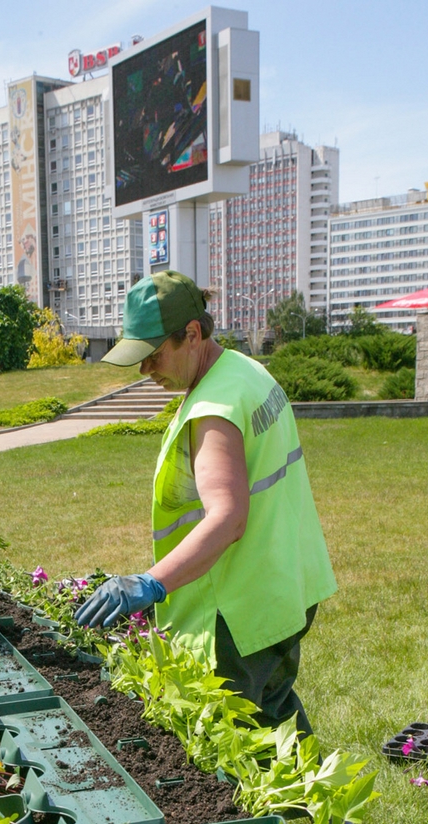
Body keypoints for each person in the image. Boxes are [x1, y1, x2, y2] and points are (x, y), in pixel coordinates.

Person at [76, 271, 336, 738]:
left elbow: (228, 516)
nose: (145, 371)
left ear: (192, 335)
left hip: (240, 610)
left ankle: (317, 813)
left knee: (237, 758)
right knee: (276, 727)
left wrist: (150, 584)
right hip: (283, 586)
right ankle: (332, 813)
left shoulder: (214, 407)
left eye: (153, 356)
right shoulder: (244, 372)